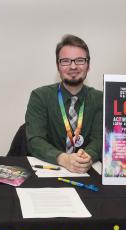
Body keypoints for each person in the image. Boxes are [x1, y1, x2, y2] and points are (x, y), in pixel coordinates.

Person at [25, 34, 102, 173]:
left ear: (88, 65)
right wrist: (63, 159)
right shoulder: (40, 96)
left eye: (80, 60)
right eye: (65, 61)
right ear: (58, 66)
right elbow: (35, 140)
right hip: (50, 171)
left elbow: (100, 138)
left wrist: (87, 156)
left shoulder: (100, 99)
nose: (73, 66)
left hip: (87, 171)